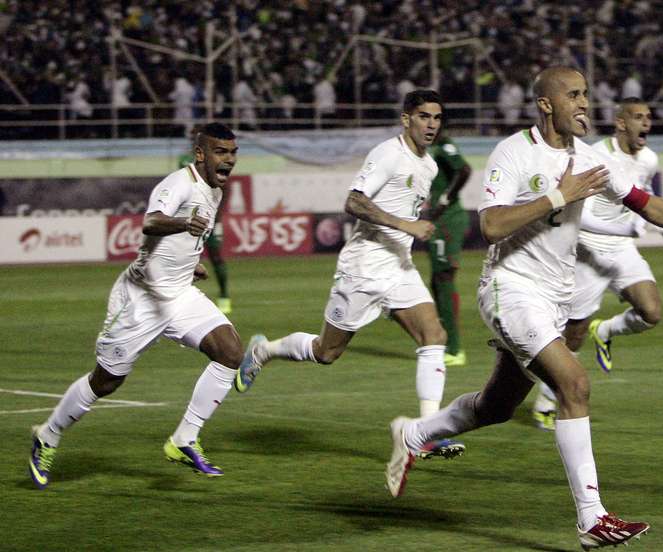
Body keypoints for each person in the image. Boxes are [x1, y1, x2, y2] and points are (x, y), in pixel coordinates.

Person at [385, 67, 663, 550]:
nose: (585, 103)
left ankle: (416, 432)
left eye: (586, 94)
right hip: (510, 288)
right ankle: (593, 519)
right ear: (546, 104)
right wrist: (558, 195)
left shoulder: (589, 160)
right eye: (573, 95)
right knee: (575, 383)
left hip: (554, 295)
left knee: (497, 406)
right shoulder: (514, 151)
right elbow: (491, 225)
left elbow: (648, 204)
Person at [238, 90, 465, 460]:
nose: (432, 125)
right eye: (424, 117)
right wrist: (405, 225)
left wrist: (405, 232)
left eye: (437, 118)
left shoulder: (430, 165)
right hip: (362, 268)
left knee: (434, 335)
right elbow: (354, 201)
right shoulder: (388, 154)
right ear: (406, 118)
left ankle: (426, 432)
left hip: (398, 267)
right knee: (327, 352)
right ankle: (264, 350)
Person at [28, 123, 247, 489]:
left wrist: (191, 262)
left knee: (230, 352)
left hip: (178, 295)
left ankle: (184, 439)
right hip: (141, 299)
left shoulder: (215, 190)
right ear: (200, 153)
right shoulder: (178, 183)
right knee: (107, 380)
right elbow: (151, 223)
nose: (228, 159)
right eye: (220, 151)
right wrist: (183, 224)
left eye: (232, 152)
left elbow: (181, 241)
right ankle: (47, 435)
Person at [532, 98, 663, 431]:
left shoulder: (649, 159)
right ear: (621, 123)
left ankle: (608, 329)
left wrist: (662, 224)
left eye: (649, 117)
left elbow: (645, 192)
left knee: (651, 312)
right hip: (589, 251)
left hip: (623, 249)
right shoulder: (594, 156)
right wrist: (621, 228)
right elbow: (576, 215)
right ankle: (544, 402)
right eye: (638, 117)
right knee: (573, 336)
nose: (646, 123)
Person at [427, 131, 472, 367]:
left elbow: (464, 170)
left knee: (444, 278)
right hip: (435, 221)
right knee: (436, 281)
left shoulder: (444, 146)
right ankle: (444, 342)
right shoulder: (426, 150)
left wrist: (445, 199)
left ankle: (454, 349)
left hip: (447, 221)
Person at [178, 128, 232, 314]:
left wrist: (217, 214)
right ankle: (182, 299)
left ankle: (224, 295)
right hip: (191, 218)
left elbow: (225, 186)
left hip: (211, 216)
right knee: (184, 258)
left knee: (216, 256)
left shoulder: (217, 159)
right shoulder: (184, 161)